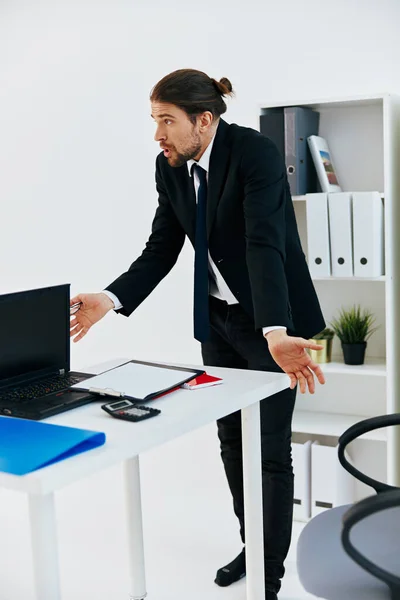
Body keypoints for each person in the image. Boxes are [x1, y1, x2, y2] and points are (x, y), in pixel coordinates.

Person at [70, 69, 326, 599]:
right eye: (154, 120)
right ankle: (253, 544)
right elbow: (163, 246)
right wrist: (110, 299)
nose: (157, 134)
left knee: (269, 450)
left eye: (167, 121)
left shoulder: (253, 154)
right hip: (217, 322)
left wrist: (275, 331)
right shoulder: (171, 167)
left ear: (203, 121)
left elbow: (264, 244)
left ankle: (268, 578)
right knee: (231, 441)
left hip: (273, 325)